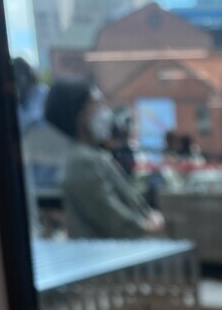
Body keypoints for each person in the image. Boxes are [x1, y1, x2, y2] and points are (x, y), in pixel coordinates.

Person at [45, 80, 164, 240]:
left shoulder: (92, 154)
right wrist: (146, 226)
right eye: (97, 103)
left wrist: (149, 215)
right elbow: (113, 218)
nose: (105, 111)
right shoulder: (82, 160)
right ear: (79, 114)